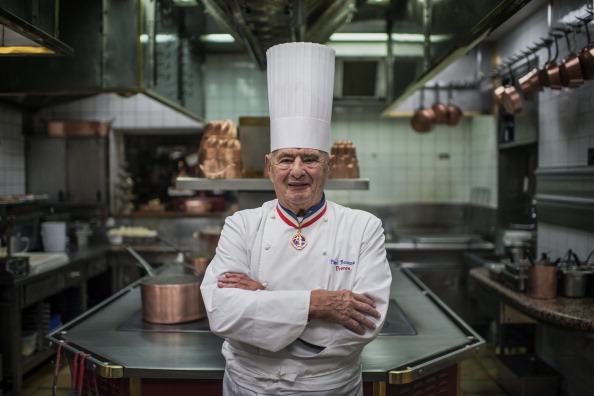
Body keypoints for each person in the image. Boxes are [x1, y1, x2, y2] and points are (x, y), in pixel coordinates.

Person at [200, 42, 392, 396]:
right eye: (286, 159)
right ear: (269, 167)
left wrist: (262, 300)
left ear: (328, 167)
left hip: (329, 386)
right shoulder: (241, 225)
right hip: (250, 385)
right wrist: (318, 305)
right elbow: (222, 313)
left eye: (310, 159)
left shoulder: (363, 227)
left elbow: (365, 324)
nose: (297, 171)